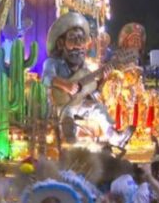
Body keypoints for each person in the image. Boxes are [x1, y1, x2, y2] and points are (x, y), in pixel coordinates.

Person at [42, 12, 134, 148]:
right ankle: (69, 138)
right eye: (73, 38)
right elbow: (46, 78)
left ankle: (116, 138)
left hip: (79, 104)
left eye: (81, 38)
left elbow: (92, 88)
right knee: (66, 114)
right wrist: (65, 85)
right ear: (61, 43)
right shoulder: (52, 62)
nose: (78, 43)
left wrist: (103, 78)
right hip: (60, 104)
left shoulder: (84, 67)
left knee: (98, 109)